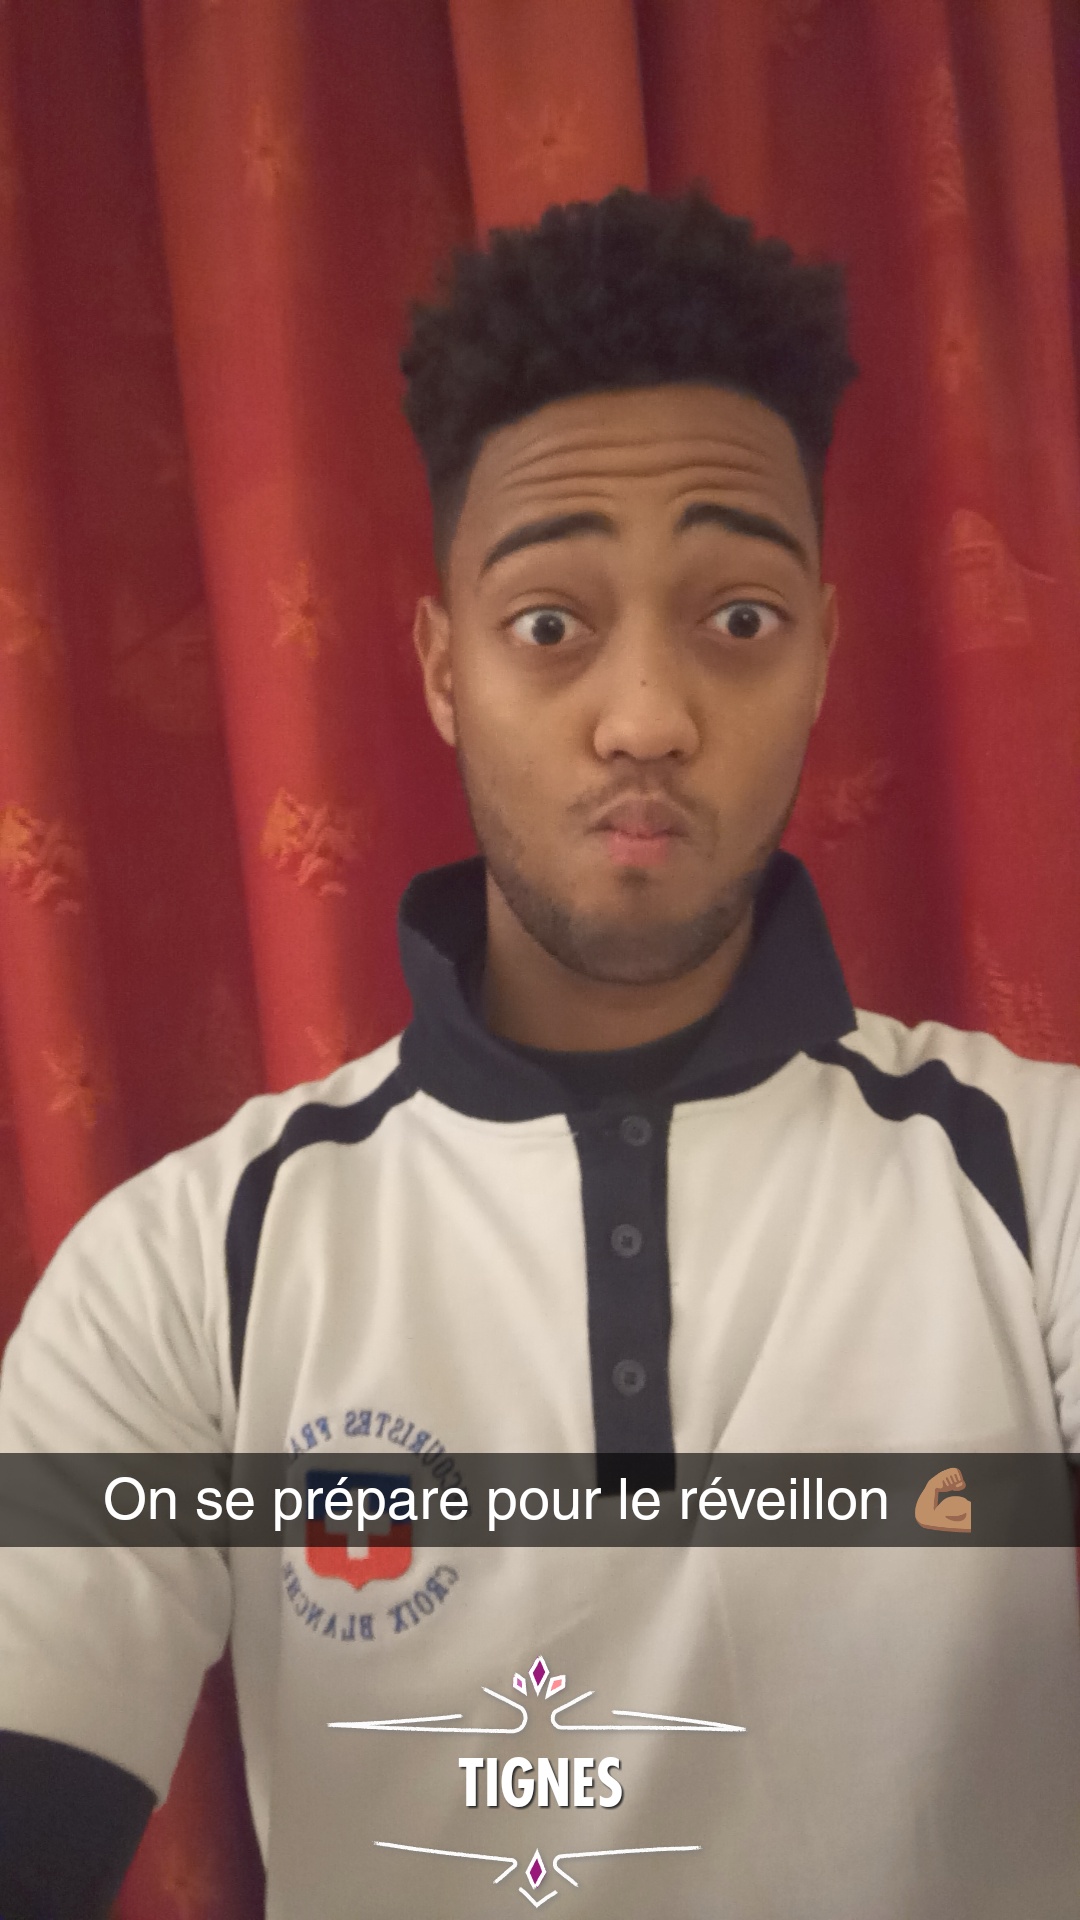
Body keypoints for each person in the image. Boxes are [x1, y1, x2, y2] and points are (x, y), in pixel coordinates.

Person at [0, 186, 1078, 1920]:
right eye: (552, 624)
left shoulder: (1042, 1186)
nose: (646, 716)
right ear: (443, 668)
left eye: (738, 618)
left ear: (823, 653)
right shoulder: (192, 1266)